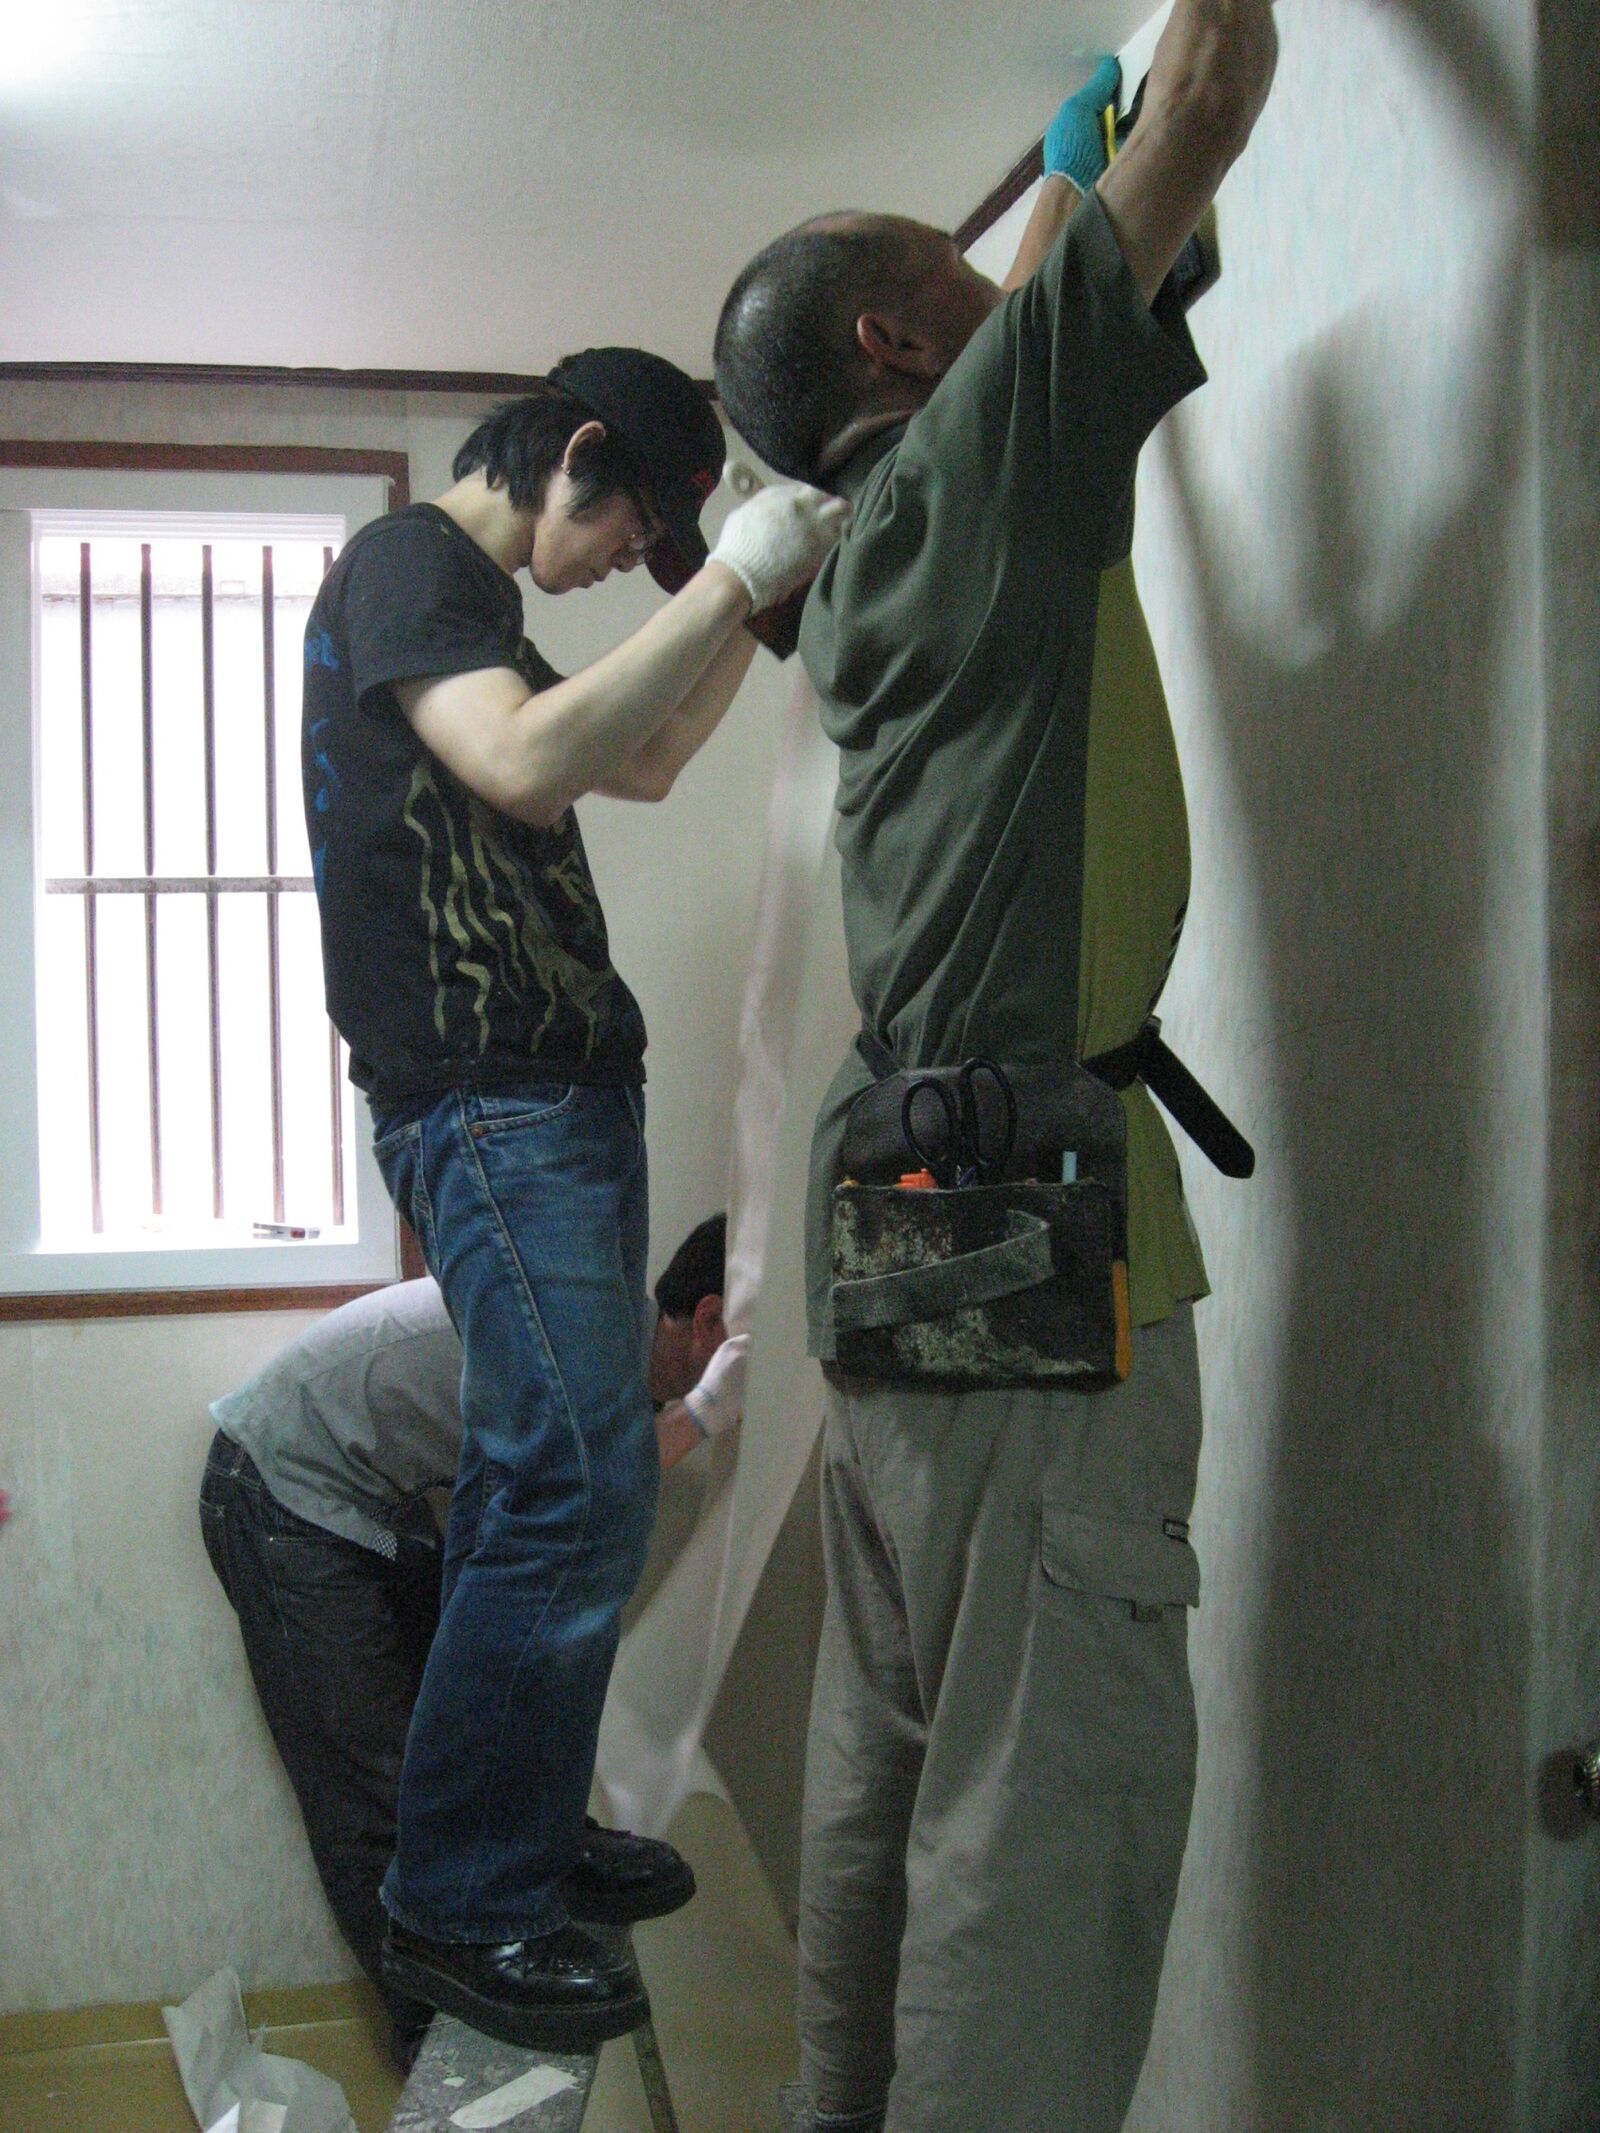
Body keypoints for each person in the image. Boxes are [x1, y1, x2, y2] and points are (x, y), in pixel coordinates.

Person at [714, 8, 1278, 2130]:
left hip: (911, 1217)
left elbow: (1045, 291)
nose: (1015, 284)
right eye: (962, 282)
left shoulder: (880, 547)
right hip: (1040, 1226)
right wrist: (1128, 141)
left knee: (898, 1783)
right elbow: (1211, 87)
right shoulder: (982, 461)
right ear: (893, 340)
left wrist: (1058, 188)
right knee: (1027, 1850)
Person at [300, 350, 843, 2052]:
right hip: (486, 1099)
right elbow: (527, 764)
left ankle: (519, 1833)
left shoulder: (480, 614)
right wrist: (730, 581)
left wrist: (749, 606)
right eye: (629, 531)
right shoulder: (408, 567)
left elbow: (645, 759)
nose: (621, 567)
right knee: (567, 1474)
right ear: (578, 453)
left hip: (561, 1092)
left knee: (581, 1478)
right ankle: (464, 1900)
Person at [199, 1216, 737, 2071]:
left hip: (370, 1496)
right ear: (708, 1320)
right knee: (378, 1786)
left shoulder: (606, 1341)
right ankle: (440, 2051)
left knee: (469, 1715)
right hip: (286, 1487)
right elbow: (598, 1469)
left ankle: (539, 1854)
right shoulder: (583, 1350)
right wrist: (710, 1409)